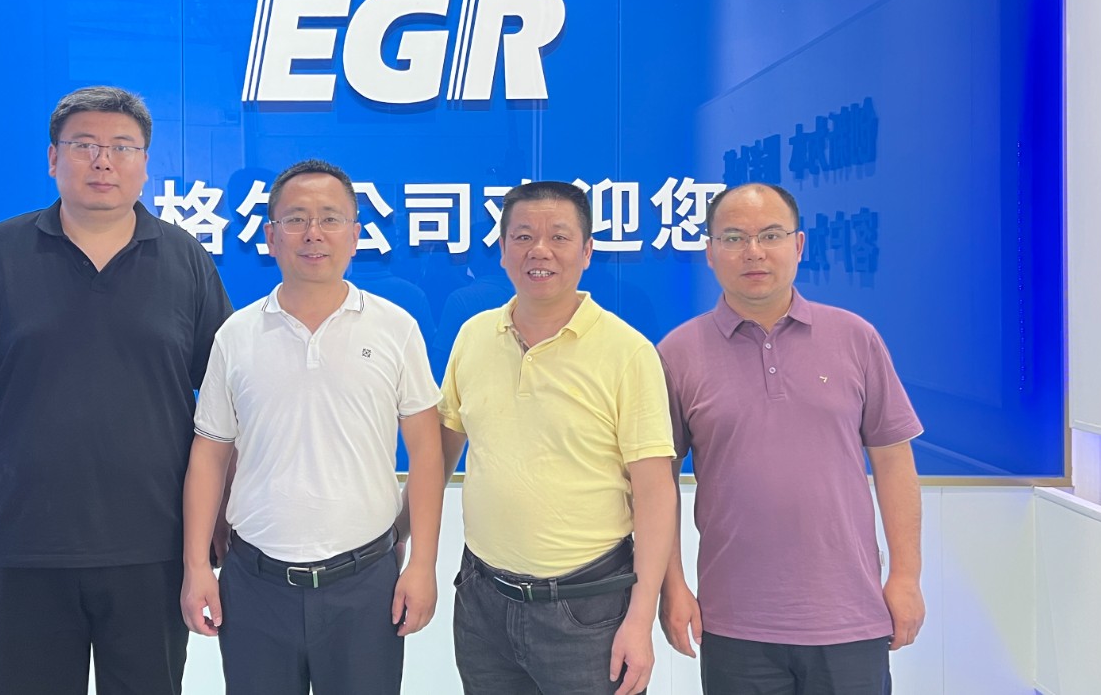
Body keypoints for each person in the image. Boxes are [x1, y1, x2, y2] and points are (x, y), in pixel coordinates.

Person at [0, 85, 232, 695]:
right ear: (52, 158)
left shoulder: (185, 261)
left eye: (122, 147)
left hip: (153, 544)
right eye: (84, 145)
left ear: (145, 163)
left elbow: (225, 403)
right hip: (22, 540)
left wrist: (221, 512)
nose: (102, 161)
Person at [179, 158, 444, 695]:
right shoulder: (236, 335)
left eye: (330, 218)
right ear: (271, 236)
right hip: (255, 584)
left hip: (365, 584)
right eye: (296, 219)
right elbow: (208, 456)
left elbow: (427, 453)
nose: (313, 233)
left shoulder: (395, 328)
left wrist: (423, 565)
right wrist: (195, 568)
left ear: (356, 234)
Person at [657, 182, 924, 695]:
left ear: (799, 245)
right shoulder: (678, 353)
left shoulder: (856, 337)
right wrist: (673, 586)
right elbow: (657, 485)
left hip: (851, 615)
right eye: (733, 238)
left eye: (770, 235)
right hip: (733, 622)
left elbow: (894, 463)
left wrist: (906, 577)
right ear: (709, 252)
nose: (753, 251)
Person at [439, 180, 677, 695]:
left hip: (588, 609)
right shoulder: (474, 335)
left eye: (560, 237)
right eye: (523, 236)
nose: (540, 250)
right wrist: (402, 538)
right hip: (482, 601)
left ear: (587, 251)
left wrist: (641, 619)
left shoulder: (628, 352)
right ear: (503, 250)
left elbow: (656, 493)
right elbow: (442, 451)